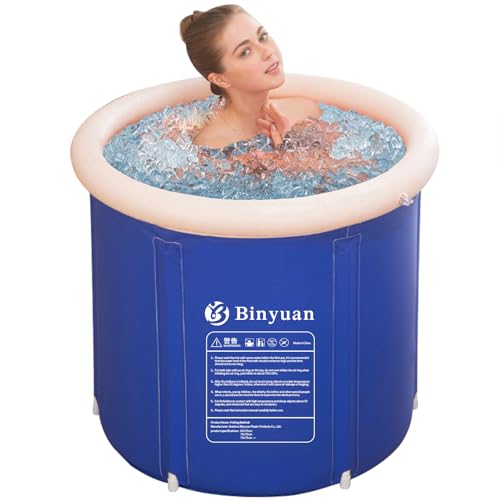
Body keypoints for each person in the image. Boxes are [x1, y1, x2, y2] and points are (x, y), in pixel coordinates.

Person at [180, 4, 322, 149]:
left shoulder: (305, 111)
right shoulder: (212, 146)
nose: (268, 51)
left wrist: (288, 145)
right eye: (245, 52)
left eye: (263, 37)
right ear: (220, 79)